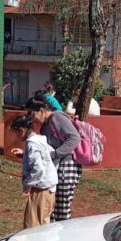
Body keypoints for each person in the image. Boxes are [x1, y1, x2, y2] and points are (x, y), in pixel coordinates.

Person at [26, 92, 82, 221]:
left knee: (62, 211)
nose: (31, 118)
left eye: (32, 114)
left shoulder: (57, 117)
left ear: (41, 110)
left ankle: (63, 239)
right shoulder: (46, 124)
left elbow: (74, 138)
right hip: (57, 169)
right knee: (52, 209)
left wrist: (55, 154)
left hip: (66, 169)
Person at [9, 114, 58, 228]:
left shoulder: (31, 144)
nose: (16, 136)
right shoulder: (40, 139)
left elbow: (38, 169)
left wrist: (28, 184)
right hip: (49, 189)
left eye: (16, 133)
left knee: (33, 225)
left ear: (21, 130)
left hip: (41, 190)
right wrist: (24, 153)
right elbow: (46, 156)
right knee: (43, 224)